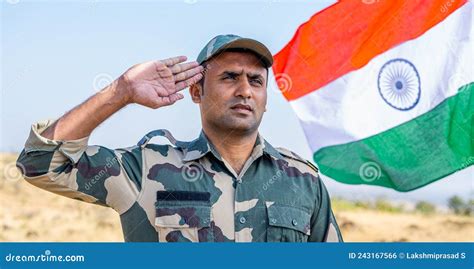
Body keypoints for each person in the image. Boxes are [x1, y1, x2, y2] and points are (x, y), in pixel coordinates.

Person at [16, 34, 343, 242]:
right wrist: (121, 92)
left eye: (256, 81)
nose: (245, 90)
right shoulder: (145, 169)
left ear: (266, 98)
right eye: (230, 77)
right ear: (196, 91)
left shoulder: (303, 180)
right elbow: (40, 163)